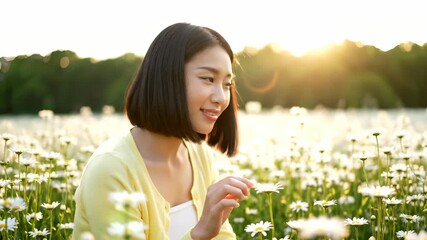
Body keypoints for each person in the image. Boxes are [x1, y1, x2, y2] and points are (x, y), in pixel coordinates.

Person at [72, 22, 254, 239]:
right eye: (208, 79)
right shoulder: (111, 170)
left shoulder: (199, 155)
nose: (221, 97)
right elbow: (206, 234)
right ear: (168, 78)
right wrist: (199, 234)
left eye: (227, 84)